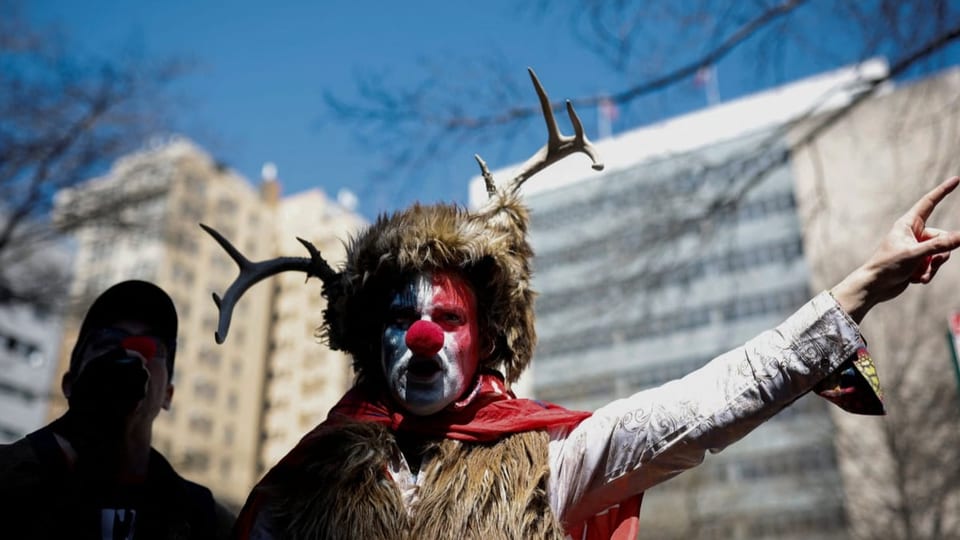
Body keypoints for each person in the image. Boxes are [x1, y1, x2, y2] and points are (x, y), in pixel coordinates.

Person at [201, 74, 960, 539]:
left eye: (450, 319)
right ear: (373, 343)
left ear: (484, 339)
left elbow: (697, 409)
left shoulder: (545, 462)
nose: (425, 336)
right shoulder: (303, 487)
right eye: (402, 320)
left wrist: (862, 284)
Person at [0, 280, 235, 539]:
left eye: (154, 346)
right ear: (70, 384)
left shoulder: (204, 518)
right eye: (108, 341)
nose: (133, 353)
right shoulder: (14, 476)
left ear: (168, 396)